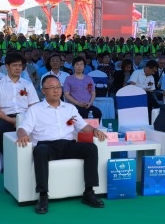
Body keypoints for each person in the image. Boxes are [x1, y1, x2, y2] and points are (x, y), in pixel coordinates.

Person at [16, 75, 108, 215]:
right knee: (40, 151)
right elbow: (23, 128)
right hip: (46, 146)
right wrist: (22, 135)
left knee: (91, 148)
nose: (56, 90)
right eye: (51, 88)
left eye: (58, 87)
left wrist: (95, 130)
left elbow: (82, 126)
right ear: (43, 91)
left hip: (67, 145)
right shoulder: (35, 110)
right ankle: (43, 196)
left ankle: (89, 192)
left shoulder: (69, 108)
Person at [0, 53, 39, 152]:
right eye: (14, 65)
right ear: (7, 66)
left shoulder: (28, 84)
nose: (18, 68)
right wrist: (11, 120)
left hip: (26, 117)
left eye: (20, 65)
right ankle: (7, 158)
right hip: (6, 117)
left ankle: (33, 156)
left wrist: (25, 119)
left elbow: (33, 105)